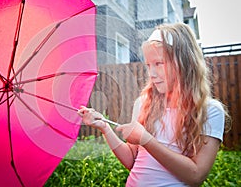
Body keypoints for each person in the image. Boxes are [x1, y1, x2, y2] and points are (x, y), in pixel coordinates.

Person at [78, 23, 230, 187]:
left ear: (184, 62)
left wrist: (146, 140)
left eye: (159, 63)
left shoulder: (209, 111)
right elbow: (131, 160)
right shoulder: (144, 103)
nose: (151, 74)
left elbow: (196, 176)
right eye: (148, 65)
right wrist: (104, 128)